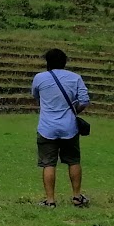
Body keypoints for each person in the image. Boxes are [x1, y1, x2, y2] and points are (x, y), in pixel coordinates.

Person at [31, 47, 90, 208]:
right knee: (73, 161)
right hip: (69, 127)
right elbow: (84, 100)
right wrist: (74, 111)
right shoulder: (75, 78)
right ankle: (77, 197)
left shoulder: (39, 78)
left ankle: (50, 200)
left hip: (47, 127)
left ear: (47, 62)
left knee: (48, 164)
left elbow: (36, 96)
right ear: (64, 62)